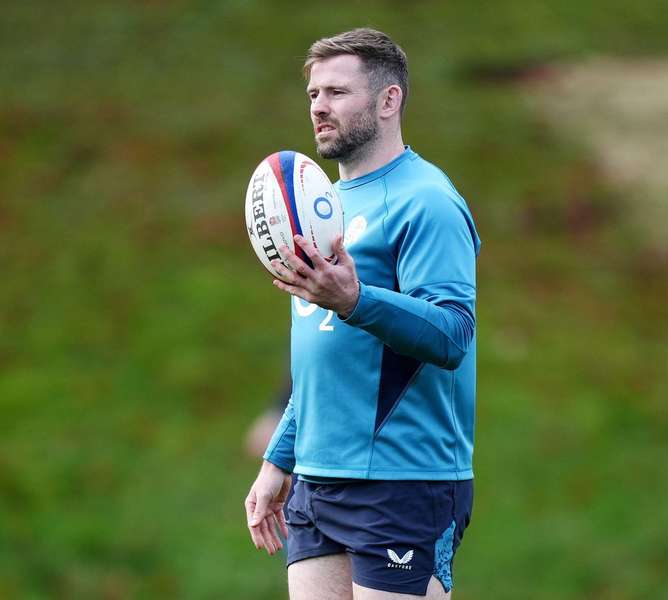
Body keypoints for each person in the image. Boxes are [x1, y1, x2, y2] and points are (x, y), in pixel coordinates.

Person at [243, 28, 481, 599]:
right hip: (318, 478)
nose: (319, 106)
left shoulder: (426, 200)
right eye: (313, 94)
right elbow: (331, 359)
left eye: (337, 92)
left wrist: (355, 300)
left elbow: (453, 332)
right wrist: (281, 456)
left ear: (388, 100)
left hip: (402, 478)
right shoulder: (322, 204)